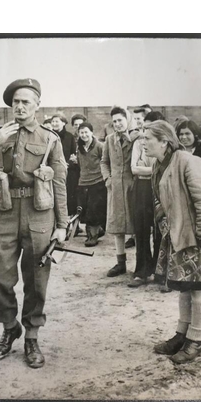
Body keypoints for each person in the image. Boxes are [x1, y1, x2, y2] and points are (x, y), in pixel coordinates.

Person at [0, 78, 67, 369]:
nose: (19, 106)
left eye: (25, 102)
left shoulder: (51, 138)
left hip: (38, 213)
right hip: (3, 212)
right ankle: (9, 327)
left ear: (37, 105)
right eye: (15, 102)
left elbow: (60, 183)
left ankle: (32, 335)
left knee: (36, 279)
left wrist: (63, 224)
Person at [143, 121, 201, 364]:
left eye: (148, 138)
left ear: (164, 141)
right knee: (184, 286)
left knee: (199, 289)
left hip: (198, 237)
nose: (143, 142)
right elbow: (160, 201)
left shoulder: (189, 162)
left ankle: (196, 341)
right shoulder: (159, 164)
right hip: (177, 236)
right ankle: (182, 335)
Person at [101, 106, 139, 277]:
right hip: (115, 188)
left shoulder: (137, 137)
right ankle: (120, 263)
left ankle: (141, 263)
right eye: (114, 121)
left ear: (127, 119)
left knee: (137, 224)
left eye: (120, 120)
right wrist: (108, 179)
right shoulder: (109, 139)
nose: (117, 124)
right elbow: (104, 162)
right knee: (117, 226)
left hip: (133, 187)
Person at [127, 108, 158, 287]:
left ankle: (160, 272)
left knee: (161, 231)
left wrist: (144, 168)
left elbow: (162, 169)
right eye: (145, 128)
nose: (145, 133)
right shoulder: (138, 143)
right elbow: (134, 168)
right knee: (142, 230)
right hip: (141, 188)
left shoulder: (165, 144)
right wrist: (151, 170)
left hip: (159, 187)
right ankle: (142, 271)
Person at [76, 122, 107, 247]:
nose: (84, 135)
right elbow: (80, 163)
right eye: (81, 132)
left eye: (86, 132)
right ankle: (97, 231)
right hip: (83, 182)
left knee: (94, 209)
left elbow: (105, 162)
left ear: (92, 132)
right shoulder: (79, 148)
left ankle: (92, 236)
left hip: (97, 182)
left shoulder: (99, 146)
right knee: (84, 209)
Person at [51, 112, 80, 217]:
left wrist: (68, 165)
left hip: (68, 172)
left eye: (57, 121)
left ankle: (71, 225)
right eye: (53, 121)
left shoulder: (69, 137)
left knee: (68, 197)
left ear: (63, 123)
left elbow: (74, 154)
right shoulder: (49, 136)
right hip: (53, 171)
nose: (54, 123)